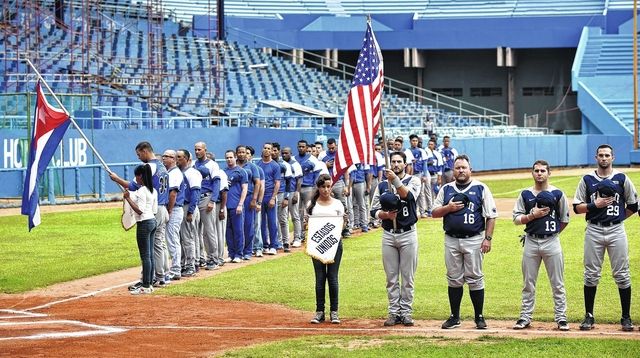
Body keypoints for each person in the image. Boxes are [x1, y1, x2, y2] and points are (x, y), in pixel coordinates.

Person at [573, 144, 638, 332]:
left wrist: (617, 218)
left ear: (613, 157)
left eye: (607, 155)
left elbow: (633, 205)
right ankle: (589, 316)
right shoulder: (586, 180)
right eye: (600, 155)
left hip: (617, 231)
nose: (604, 158)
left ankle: (626, 317)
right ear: (596, 157)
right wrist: (595, 205)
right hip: (593, 230)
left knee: (622, 274)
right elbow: (577, 207)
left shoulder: (622, 178)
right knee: (591, 274)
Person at [432, 154, 497, 330]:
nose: (461, 170)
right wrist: (448, 208)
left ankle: (479, 317)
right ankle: (454, 317)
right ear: (453, 171)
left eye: (464, 168)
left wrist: (487, 239)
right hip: (451, 239)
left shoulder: (481, 188)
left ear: (470, 169)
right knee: (454, 278)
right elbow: (434, 212)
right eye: (458, 168)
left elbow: (491, 216)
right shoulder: (446, 189)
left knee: (475, 278)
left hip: (474, 239)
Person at [512, 160, 570, 331]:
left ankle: (561, 318)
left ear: (549, 173)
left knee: (557, 282)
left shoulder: (558, 193)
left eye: (543, 170)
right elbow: (516, 219)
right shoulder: (525, 194)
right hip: (531, 241)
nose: (539, 173)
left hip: (552, 241)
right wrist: (532, 216)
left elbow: (565, 220)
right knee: (528, 282)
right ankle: (525, 317)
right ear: (532, 173)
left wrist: (551, 232)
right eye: (536, 170)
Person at [370, 151, 421, 327]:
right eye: (393, 161)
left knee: (407, 277)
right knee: (391, 277)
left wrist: (396, 181)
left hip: (408, 233)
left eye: (399, 161)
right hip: (389, 234)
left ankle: (406, 312)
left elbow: (409, 196)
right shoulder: (382, 185)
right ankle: (393, 312)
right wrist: (382, 214)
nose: (396, 164)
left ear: (405, 164)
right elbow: (373, 209)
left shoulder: (413, 180)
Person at [110, 141, 170, 289]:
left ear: (144, 151)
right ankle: (162, 275)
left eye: (139, 154)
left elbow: (132, 186)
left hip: (150, 212)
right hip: (161, 206)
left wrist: (116, 179)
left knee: (151, 248)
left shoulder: (149, 167)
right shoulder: (162, 165)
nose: (138, 158)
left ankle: (150, 278)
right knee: (159, 244)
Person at [307, 174, 346, 324]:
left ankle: (334, 311)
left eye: (328, 186)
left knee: (333, 277)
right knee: (320, 278)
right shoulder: (312, 205)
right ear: (318, 187)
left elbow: (342, 223)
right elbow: (308, 224)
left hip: (335, 244)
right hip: (317, 246)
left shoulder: (337, 204)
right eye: (323, 186)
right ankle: (319, 311)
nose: (326, 189)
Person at [124, 164, 158, 295]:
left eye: (137, 176)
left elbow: (139, 210)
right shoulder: (153, 190)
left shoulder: (142, 191)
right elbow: (154, 210)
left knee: (145, 256)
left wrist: (127, 198)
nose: (136, 179)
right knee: (150, 255)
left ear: (141, 176)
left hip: (144, 223)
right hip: (152, 221)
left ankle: (145, 285)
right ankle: (149, 284)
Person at [176, 149, 201, 277]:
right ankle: (183, 265)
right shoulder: (177, 172)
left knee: (188, 238)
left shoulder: (192, 173)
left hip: (188, 207)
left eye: (180, 157)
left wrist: (190, 211)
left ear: (186, 159)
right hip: (181, 207)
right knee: (180, 238)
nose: (177, 159)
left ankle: (191, 265)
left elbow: (196, 193)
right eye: (176, 157)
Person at [223, 150, 249, 263]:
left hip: (236, 205)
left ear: (235, 158)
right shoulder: (223, 172)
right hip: (225, 205)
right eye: (227, 158)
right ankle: (231, 253)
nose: (229, 159)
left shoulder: (241, 171)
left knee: (238, 230)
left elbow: (245, 189)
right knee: (228, 231)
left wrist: (240, 204)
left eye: (231, 157)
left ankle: (239, 254)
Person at [257, 142, 282, 255]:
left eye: (269, 149)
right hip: (260, 197)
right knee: (261, 222)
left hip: (270, 196)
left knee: (272, 222)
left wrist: (273, 197)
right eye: (265, 148)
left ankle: (273, 245)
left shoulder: (275, 166)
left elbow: (277, 183)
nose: (266, 150)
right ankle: (264, 245)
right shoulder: (258, 165)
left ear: (272, 151)